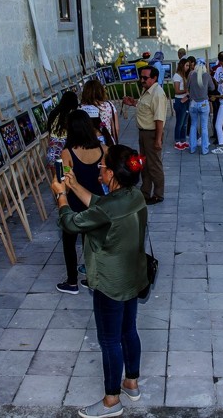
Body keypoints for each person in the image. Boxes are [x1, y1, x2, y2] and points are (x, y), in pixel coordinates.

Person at [51, 145, 148, 418]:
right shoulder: (135, 195)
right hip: (132, 275)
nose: (99, 169)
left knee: (109, 341)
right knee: (129, 330)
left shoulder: (108, 207)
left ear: (114, 173)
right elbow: (102, 206)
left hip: (109, 281)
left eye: (103, 166)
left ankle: (111, 401)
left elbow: (71, 223)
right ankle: (131, 383)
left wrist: (61, 196)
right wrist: (76, 186)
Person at [55, 110, 105, 294]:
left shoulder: (67, 152)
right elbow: (103, 177)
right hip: (95, 200)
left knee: (69, 242)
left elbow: (65, 180)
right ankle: (92, 278)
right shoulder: (102, 149)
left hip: (75, 202)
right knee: (90, 242)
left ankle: (72, 281)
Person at [122, 66, 167, 205]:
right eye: (141, 77)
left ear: (154, 78)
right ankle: (145, 192)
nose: (142, 80)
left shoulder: (157, 94)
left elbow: (159, 119)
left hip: (151, 134)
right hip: (143, 133)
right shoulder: (146, 91)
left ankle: (158, 194)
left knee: (154, 165)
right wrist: (134, 103)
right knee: (145, 165)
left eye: (145, 78)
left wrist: (158, 139)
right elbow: (146, 108)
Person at [187, 58, 215, 155]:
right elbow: (212, 87)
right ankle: (204, 149)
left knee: (193, 125)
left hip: (193, 103)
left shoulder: (191, 75)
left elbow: (188, 87)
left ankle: (192, 148)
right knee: (204, 127)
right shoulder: (206, 75)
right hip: (204, 102)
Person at [46, 91, 80, 171]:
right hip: (64, 153)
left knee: (59, 179)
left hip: (52, 152)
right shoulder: (72, 115)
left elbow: (50, 133)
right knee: (68, 178)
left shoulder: (53, 113)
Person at [81, 79, 119, 145]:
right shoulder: (109, 105)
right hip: (107, 141)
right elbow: (116, 128)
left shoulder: (81, 109)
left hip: (89, 144)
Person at [172, 58, 190, 150]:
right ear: (182, 66)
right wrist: (186, 91)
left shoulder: (184, 76)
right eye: (186, 65)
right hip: (179, 101)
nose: (188, 67)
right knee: (180, 122)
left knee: (185, 123)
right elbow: (177, 90)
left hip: (186, 100)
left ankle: (183, 140)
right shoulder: (177, 76)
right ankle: (177, 140)